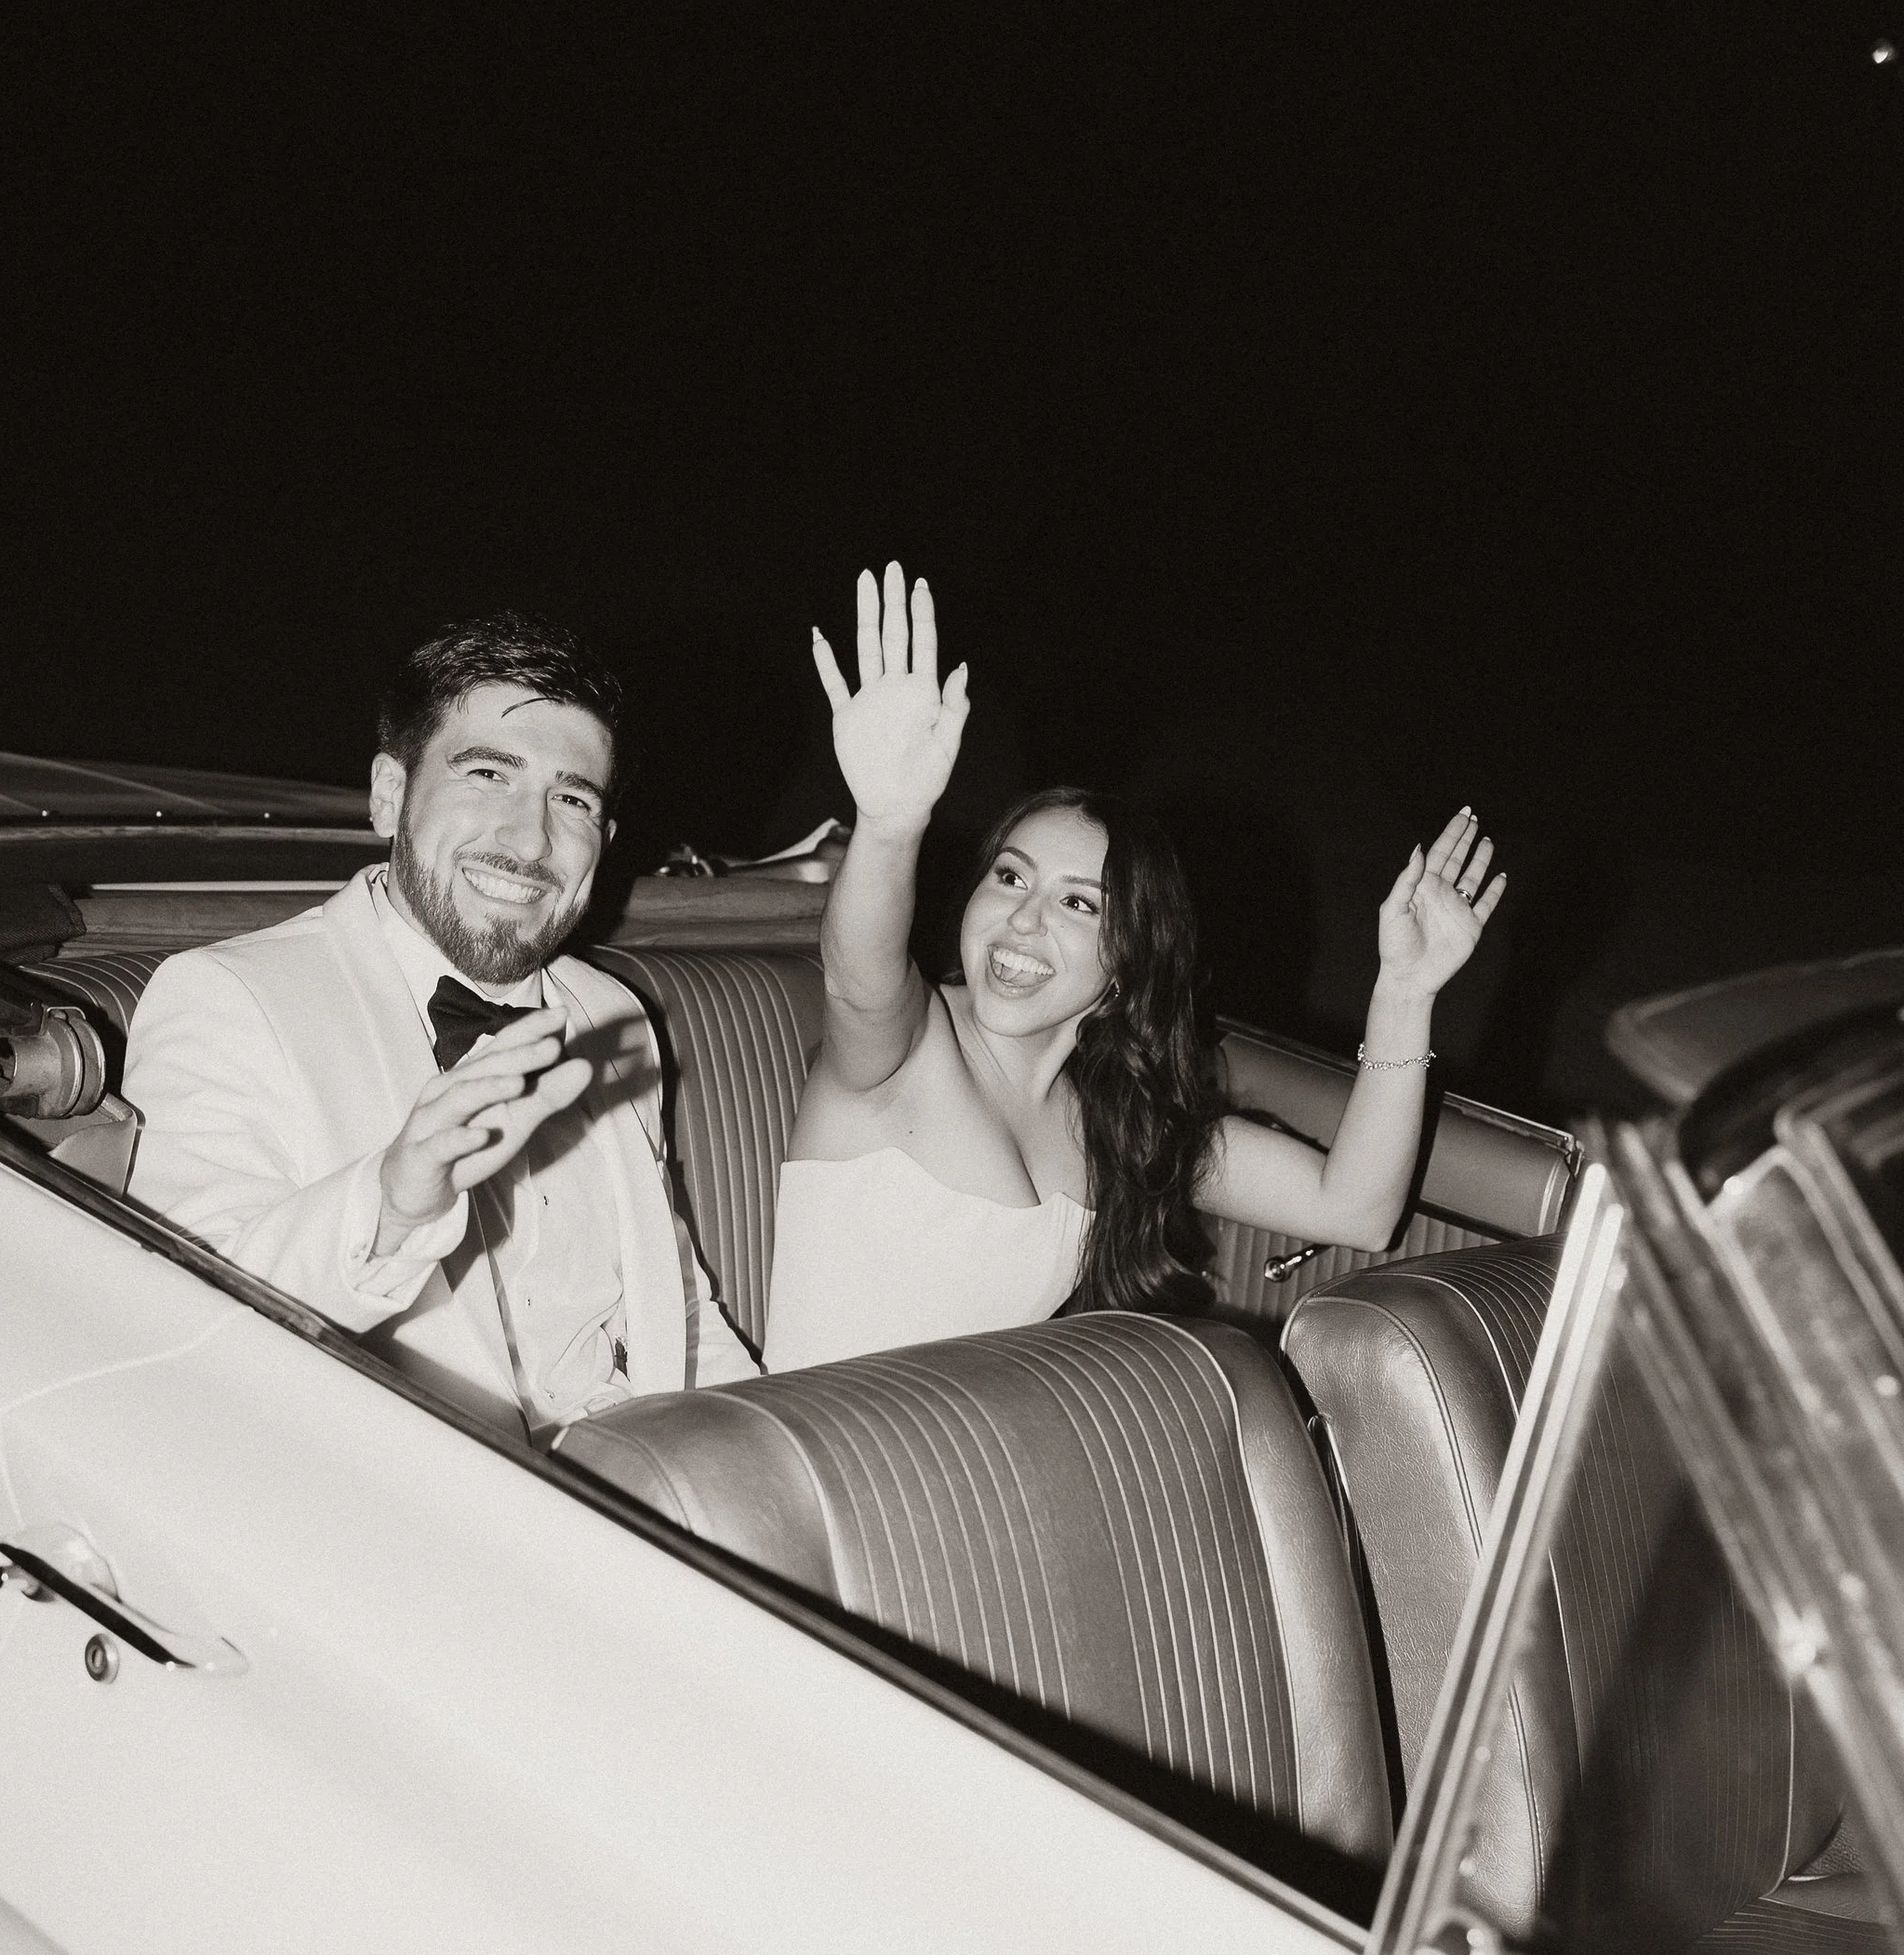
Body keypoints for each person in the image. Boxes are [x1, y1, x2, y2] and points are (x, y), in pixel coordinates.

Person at [762, 564, 1504, 1373]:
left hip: (955, 1479)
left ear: (1127, 964)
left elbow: (1356, 1209)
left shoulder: (1118, 1124)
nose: (1023, 919)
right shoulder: (906, 1047)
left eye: (1079, 904)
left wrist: (1404, 990)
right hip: (802, 1470)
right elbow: (856, 978)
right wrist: (890, 823)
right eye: (1010, 877)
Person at [126, 609, 758, 1435]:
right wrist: (391, 1204)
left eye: (569, 798)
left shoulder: (610, 1011)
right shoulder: (225, 997)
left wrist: (779, 1459)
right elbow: (178, 1315)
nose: (529, 840)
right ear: (391, 796)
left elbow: (677, 1304)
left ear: (603, 840)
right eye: (487, 775)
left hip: (632, 1478)